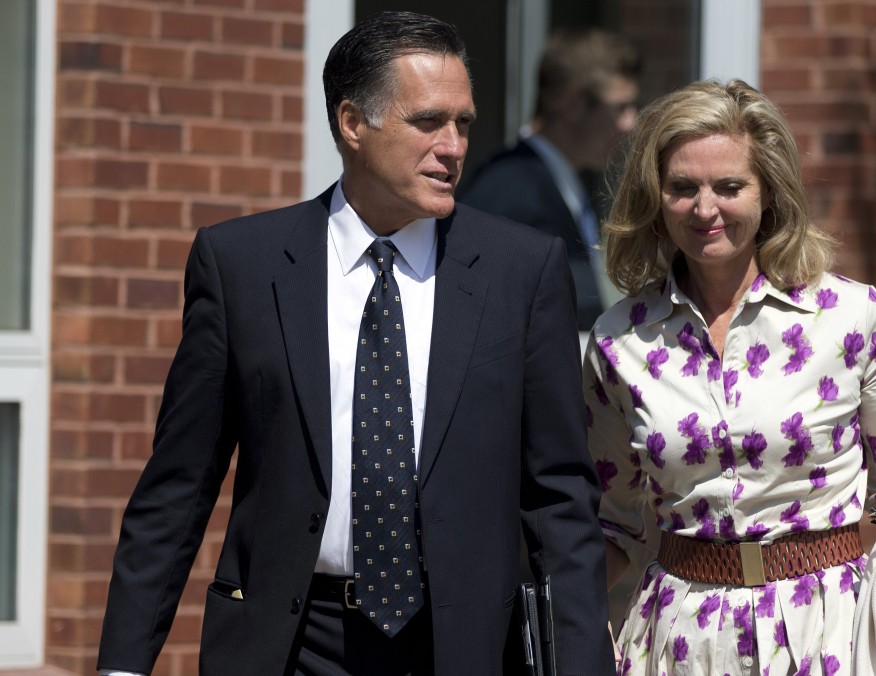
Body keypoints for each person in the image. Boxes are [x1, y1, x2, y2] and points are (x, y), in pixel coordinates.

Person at [96, 11, 610, 675]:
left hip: (461, 646)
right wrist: (121, 666)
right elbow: (177, 488)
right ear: (352, 124)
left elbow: (559, 502)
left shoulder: (521, 271)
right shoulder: (243, 266)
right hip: (291, 644)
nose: (454, 147)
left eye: (463, 123)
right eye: (429, 121)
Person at [583, 79, 876, 674]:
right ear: (655, 199)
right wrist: (572, 622)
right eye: (682, 188)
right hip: (681, 641)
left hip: (832, 630)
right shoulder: (618, 340)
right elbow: (612, 518)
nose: (705, 208)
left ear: (769, 192)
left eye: (729, 186)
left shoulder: (853, 318)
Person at [460, 28, 640, 332]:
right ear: (571, 105)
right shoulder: (511, 191)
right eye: (619, 107)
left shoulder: (564, 180)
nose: (630, 123)